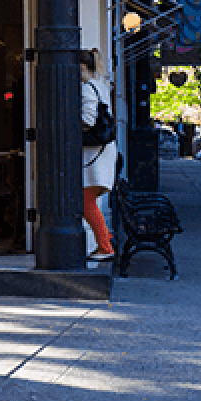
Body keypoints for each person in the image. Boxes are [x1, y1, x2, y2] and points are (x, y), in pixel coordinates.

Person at [80, 49, 116, 262]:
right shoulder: (101, 85)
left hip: (94, 155)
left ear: (82, 67)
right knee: (87, 200)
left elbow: (88, 119)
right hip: (103, 153)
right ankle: (106, 240)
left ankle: (105, 246)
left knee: (85, 201)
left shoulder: (87, 88)